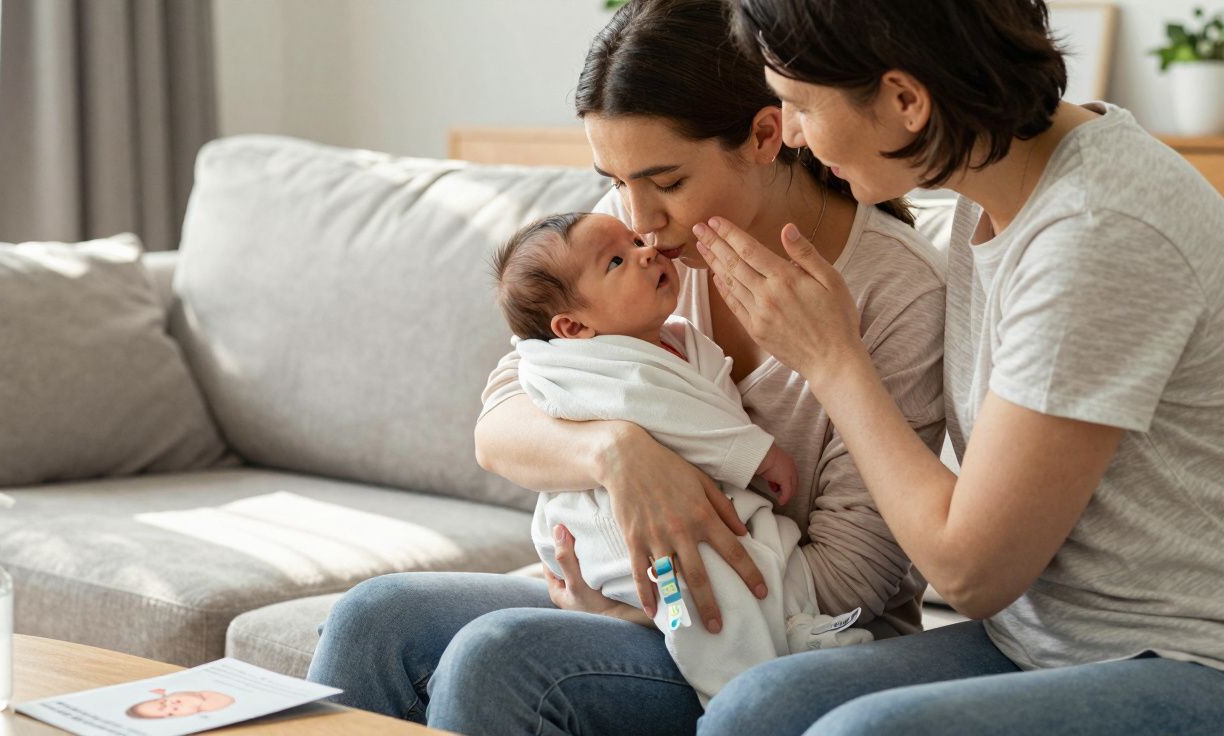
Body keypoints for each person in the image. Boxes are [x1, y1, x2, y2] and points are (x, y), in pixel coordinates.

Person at [306, 0, 944, 732]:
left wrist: (644, 608)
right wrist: (618, 454)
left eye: (666, 182)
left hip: (794, 637)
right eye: (613, 179)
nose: (638, 217)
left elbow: (852, 585)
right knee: (373, 618)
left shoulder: (897, 293)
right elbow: (503, 421)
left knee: (500, 655)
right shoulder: (640, 246)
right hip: (651, 599)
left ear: (767, 134)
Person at [681, 0, 1224, 733]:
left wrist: (834, 361)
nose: (798, 138)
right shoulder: (994, 186)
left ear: (906, 99)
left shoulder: (1095, 233)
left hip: (1184, 657)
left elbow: (970, 573)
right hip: (1037, 642)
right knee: (754, 710)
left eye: (802, 106)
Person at [495, 211, 871, 703]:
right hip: (607, 524)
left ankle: (799, 629)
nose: (646, 247)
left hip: (688, 507)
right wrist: (756, 455)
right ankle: (736, 690)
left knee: (773, 547)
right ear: (571, 326)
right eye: (617, 260)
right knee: (710, 592)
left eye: (632, 240)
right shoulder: (599, 366)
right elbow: (679, 415)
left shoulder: (666, 336)